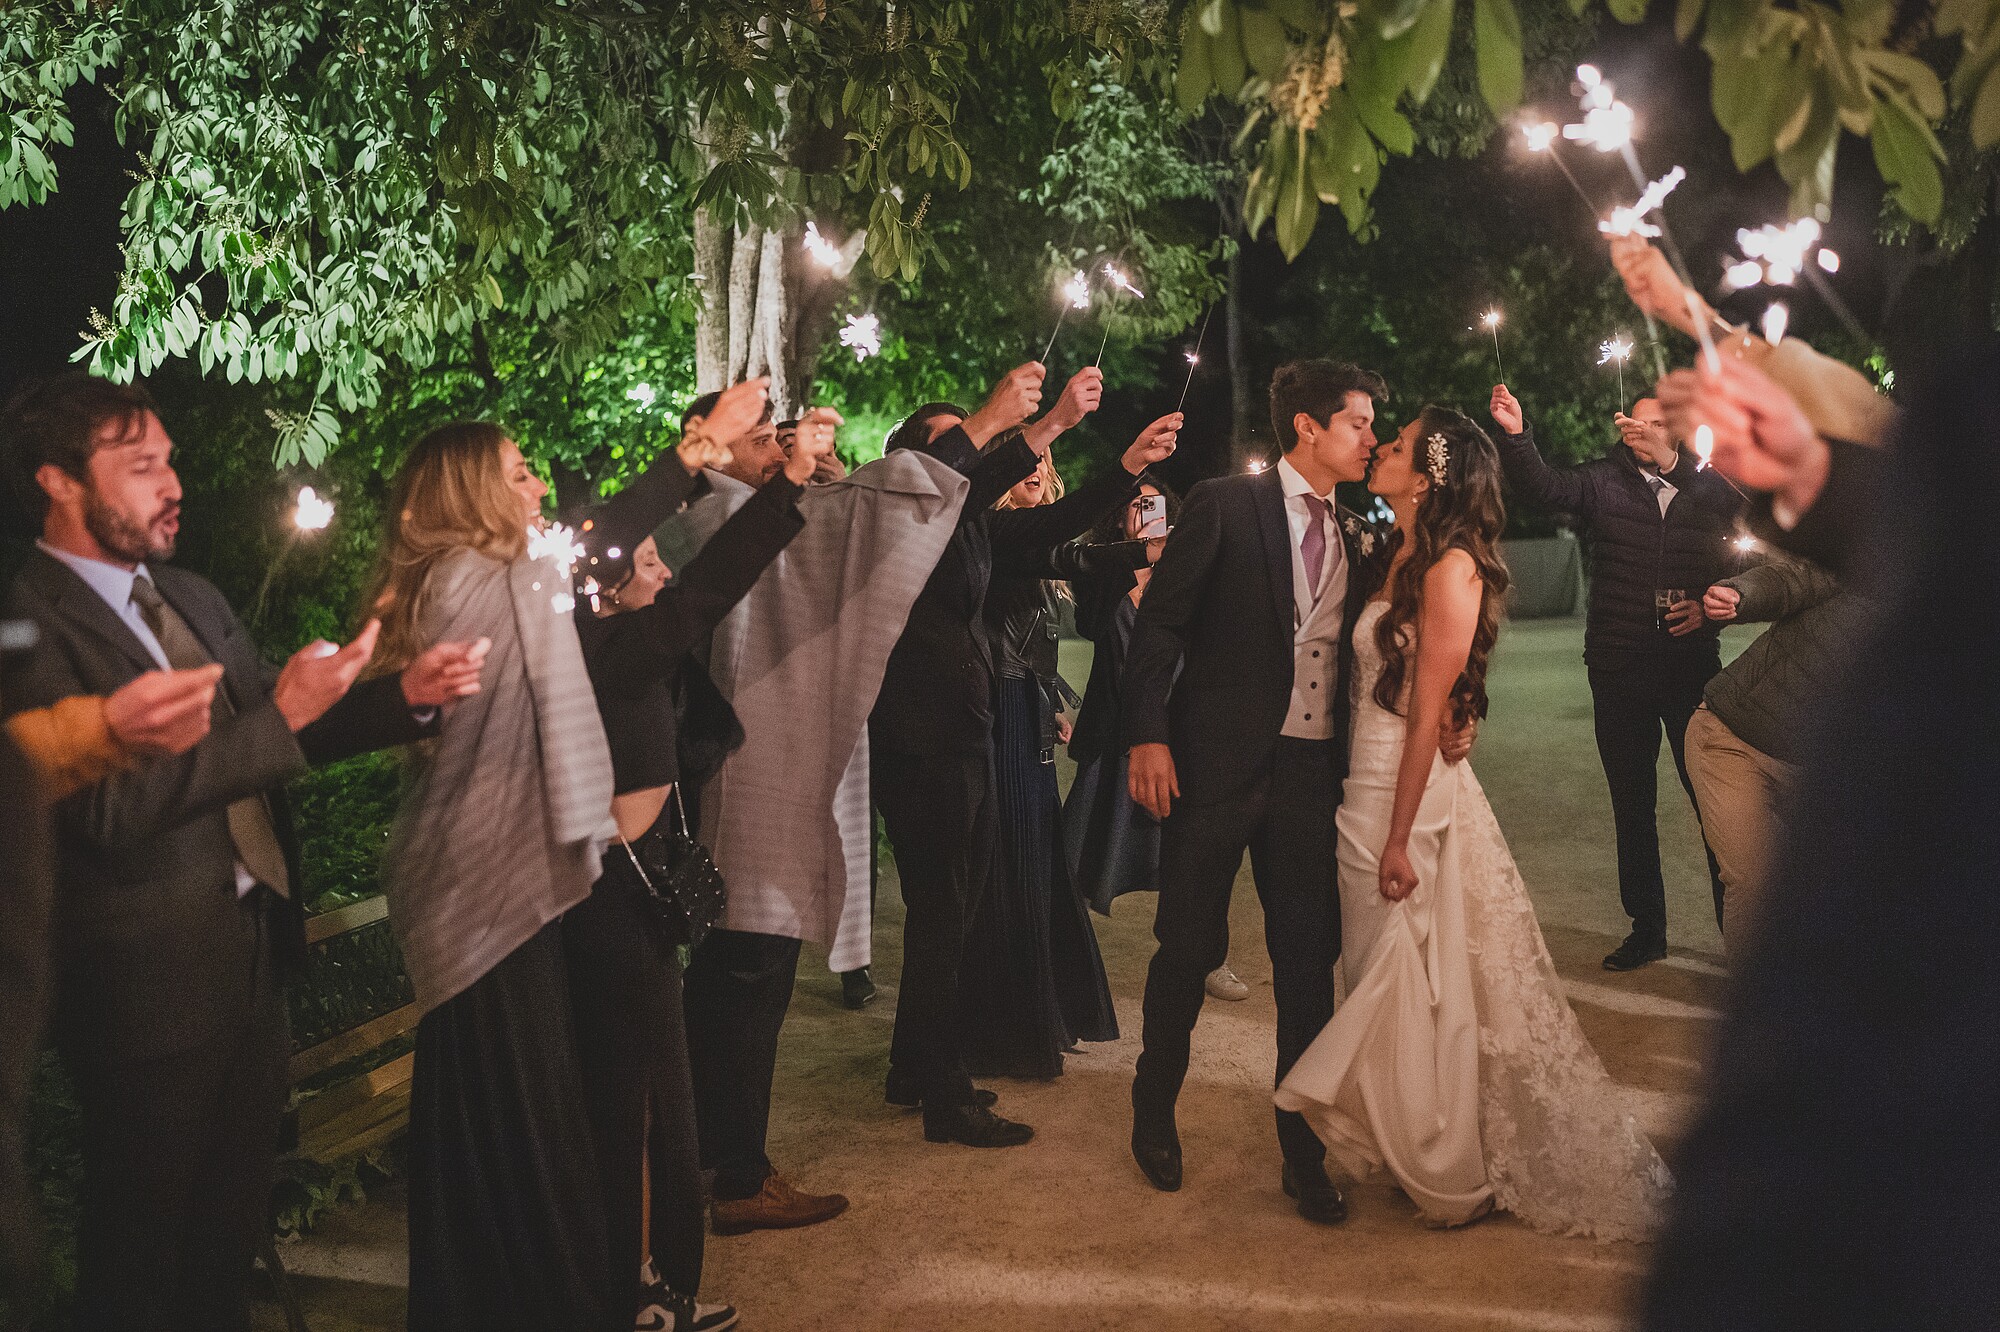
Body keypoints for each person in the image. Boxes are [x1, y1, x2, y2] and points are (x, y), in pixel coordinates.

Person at [0, 373, 482, 1332]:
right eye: (142, 466)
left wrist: (399, 695)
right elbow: (101, 812)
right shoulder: (29, 623)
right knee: (139, 1265)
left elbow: (277, 718)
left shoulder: (186, 594)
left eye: (171, 459)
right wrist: (286, 718)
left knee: (224, 1244)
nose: (172, 482)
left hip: (252, 962)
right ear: (57, 481)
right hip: (143, 996)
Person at [1641, 329, 1997, 1325]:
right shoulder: (1911, 591)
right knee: (1764, 910)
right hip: (1732, 737)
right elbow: (1791, 574)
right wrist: (1740, 576)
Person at [1276, 406, 1672, 1238]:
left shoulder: (1451, 568)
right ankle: (1401, 1131)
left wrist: (1397, 833)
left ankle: (1444, 1159)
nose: (1380, 448)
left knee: (1417, 976)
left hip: (1406, 794)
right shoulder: (1395, 552)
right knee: (1378, 964)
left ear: (1425, 476)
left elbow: (1427, 716)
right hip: (1363, 783)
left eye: (1394, 444)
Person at [1120, 359, 1470, 1224]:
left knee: (1306, 963)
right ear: (1309, 427)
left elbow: (1419, 634)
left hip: (1315, 776)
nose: (1370, 437)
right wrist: (1149, 734)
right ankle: (1152, 1114)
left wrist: (1463, 707)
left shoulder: (1362, 532)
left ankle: (1302, 1153)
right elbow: (1159, 623)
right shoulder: (1223, 505)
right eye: (1359, 422)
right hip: (1212, 764)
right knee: (1187, 945)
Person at [666, 380, 985, 1232]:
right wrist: (992, 425)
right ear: (709, 444)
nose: (778, 448)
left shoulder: (725, 512)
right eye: (761, 436)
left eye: (780, 436)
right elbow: (840, 533)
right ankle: (734, 1175)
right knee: (745, 984)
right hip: (743, 785)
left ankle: (703, 1162)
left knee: (735, 986)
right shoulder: (719, 517)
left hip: (745, 779)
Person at [871, 367, 1180, 1147]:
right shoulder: (903, 524)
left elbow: (1058, 534)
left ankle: (917, 1066)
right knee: (945, 914)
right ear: (918, 469)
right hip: (923, 743)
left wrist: (1128, 467)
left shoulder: (971, 528)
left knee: (949, 915)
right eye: (955, 442)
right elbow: (973, 486)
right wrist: (1041, 428)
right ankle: (945, 1096)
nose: (973, 448)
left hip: (966, 734)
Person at [363, 421, 620, 1332]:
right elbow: (576, 560)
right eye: (519, 473)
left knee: (511, 1105)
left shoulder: (482, 580)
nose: (538, 486)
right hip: (476, 880)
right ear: (472, 489)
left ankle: (506, 1300)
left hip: (483, 873)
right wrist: (693, 460)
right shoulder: (464, 583)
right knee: (513, 1110)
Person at [564, 377, 794, 1332]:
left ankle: (652, 1285)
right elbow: (707, 589)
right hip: (613, 902)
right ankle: (641, 1294)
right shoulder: (610, 652)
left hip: (644, 889)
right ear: (607, 587)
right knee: (640, 1105)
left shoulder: (624, 648)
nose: (661, 571)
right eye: (646, 559)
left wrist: (790, 485)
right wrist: (703, 460)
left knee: (659, 1100)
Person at [1489, 383, 1740, 971]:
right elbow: (1542, 487)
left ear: (1673, 431)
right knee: (1633, 804)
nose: (1640, 431)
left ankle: (1739, 935)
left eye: (1654, 424)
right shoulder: (1603, 480)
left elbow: (1745, 543)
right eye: (1634, 423)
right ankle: (1647, 929)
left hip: (1691, 668)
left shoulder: (1706, 487)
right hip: (1619, 666)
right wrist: (1516, 435)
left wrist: (1708, 605)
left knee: (1715, 801)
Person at [956, 454, 1138, 1080]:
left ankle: (1047, 1016)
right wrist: (1146, 545)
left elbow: (1042, 636)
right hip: (1000, 709)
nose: (1037, 467)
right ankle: (1009, 1032)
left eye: (1046, 461)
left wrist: (1051, 702)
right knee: (1013, 858)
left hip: (1025, 704)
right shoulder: (994, 533)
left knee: (1037, 856)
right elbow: (1071, 557)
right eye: (1023, 458)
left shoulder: (1035, 535)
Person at [1061, 484, 1255, 1005]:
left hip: (1178, 733)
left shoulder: (1189, 566)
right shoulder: (1105, 572)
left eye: (1156, 503)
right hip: (1112, 735)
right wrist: (1135, 562)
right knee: (1075, 853)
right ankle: (1054, 957)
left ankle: (1210, 959)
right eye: (1136, 503)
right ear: (1119, 515)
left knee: (1195, 857)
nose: (1147, 512)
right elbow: (1090, 623)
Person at [1686, 551, 1859, 950]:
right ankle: (1760, 1009)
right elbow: (1791, 578)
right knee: (1754, 884)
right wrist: (1738, 594)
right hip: (1730, 741)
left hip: (1817, 766)